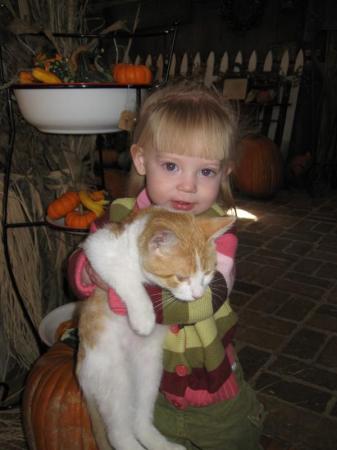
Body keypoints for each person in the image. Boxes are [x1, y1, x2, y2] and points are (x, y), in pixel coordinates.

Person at [68, 81, 265, 450]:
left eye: (206, 172)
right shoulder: (122, 215)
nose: (187, 186)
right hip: (151, 391)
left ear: (225, 174)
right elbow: (88, 257)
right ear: (141, 160)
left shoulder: (216, 235)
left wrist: (117, 297)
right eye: (172, 165)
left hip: (209, 387)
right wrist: (88, 273)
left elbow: (206, 298)